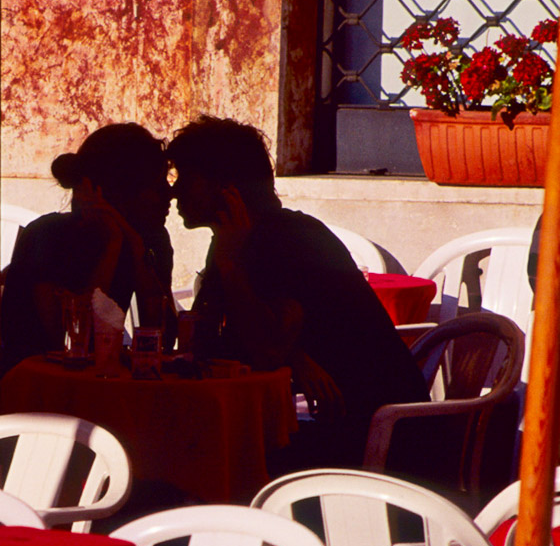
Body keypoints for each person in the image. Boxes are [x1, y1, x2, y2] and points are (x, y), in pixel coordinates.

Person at [167, 115, 430, 469]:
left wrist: (230, 268)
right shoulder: (237, 239)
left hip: (371, 434)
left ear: (226, 187)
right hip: (324, 419)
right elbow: (204, 338)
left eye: (186, 177)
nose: (174, 190)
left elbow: (267, 348)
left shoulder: (288, 238)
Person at [0, 123, 176, 375]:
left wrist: (136, 251)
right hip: (38, 387)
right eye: (158, 185)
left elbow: (163, 339)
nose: (170, 194)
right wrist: (112, 244)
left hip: (101, 385)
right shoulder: (47, 235)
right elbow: (68, 342)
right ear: (121, 193)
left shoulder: (150, 239)